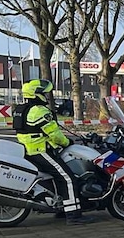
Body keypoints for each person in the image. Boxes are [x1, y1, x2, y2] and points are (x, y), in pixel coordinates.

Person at [15, 80, 91, 225]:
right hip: (40, 151)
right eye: (43, 93)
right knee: (67, 177)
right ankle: (73, 215)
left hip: (27, 150)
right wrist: (67, 142)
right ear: (36, 94)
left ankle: (62, 208)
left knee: (58, 176)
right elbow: (55, 135)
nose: (46, 96)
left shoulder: (21, 109)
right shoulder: (39, 110)